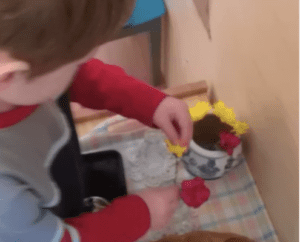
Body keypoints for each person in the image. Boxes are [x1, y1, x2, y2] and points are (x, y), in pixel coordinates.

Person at [0, 0, 193, 241]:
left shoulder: (25, 73)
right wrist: (141, 215)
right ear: (8, 76)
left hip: (60, 177)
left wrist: (150, 103)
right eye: (76, 63)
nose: (81, 67)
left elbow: (81, 78)